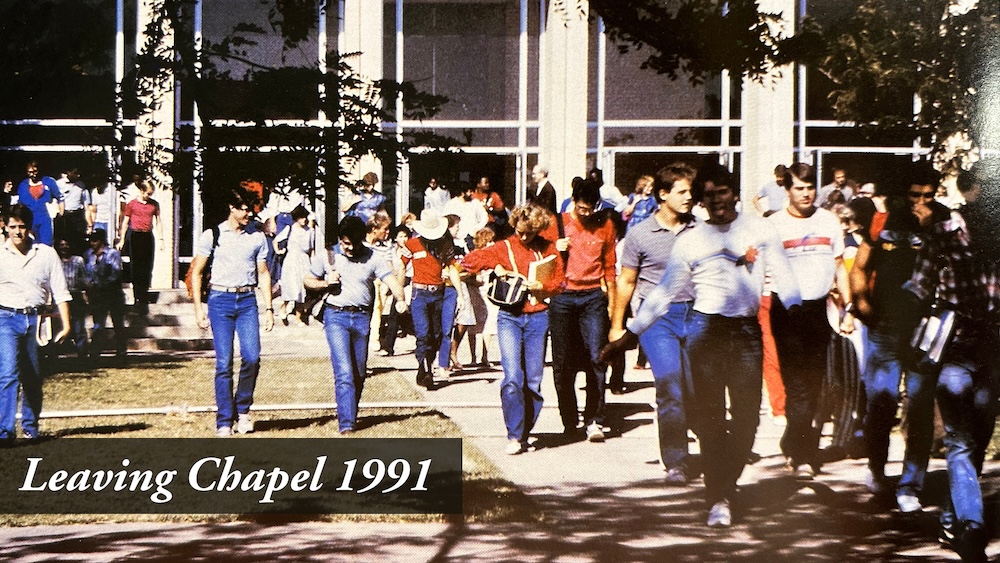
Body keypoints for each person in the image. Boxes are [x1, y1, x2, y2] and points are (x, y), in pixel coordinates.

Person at [602, 163, 801, 528]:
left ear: (734, 194)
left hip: (745, 332)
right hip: (705, 330)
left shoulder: (758, 229)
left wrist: (801, 316)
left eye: (721, 192)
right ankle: (719, 496)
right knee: (710, 420)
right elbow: (663, 294)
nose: (716, 201)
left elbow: (786, 281)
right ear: (702, 201)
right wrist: (628, 333)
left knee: (746, 419)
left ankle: (727, 480)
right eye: (708, 195)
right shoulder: (692, 240)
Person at [902, 168, 999, 561]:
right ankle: (972, 526)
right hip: (954, 347)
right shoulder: (944, 234)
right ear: (970, 193)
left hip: (991, 349)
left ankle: (950, 516)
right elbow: (918, 285)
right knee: (960, 438)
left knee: (977, 433)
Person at [849, 162, 952, 512]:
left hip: (926, 330)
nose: (920, 201)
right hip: (885, 327)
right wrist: (861, 304)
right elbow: (860, 266)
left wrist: (931, 229)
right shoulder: (882, 220)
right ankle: (876, 468)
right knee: (881, 401)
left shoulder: (945, 220)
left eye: (927, 194)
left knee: (920, 407)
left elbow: (956, 266)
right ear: (901, 193)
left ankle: (911, 483)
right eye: (913, 194)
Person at [610, 162, 698, 483]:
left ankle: (695, 432)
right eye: (682, 191)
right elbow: (626, 281)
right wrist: (617, 325)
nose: (689, 197)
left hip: (697, 315)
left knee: (695, 388)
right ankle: (677, 461)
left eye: (691, 191)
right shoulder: (640, 234)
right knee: (670, 386)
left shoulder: (700, 229)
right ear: (663, 194)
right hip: (657, 318)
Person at [767, 164, 854, 479]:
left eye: (809, 188)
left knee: (815, 384)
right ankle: (802, 453)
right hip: (786, 311)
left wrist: (849, 308)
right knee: (796, 384)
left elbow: (840, 268)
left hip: (820, 310)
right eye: (799, 188)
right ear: (787, 190)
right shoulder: (773, 224)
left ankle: (794, 441)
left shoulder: (828, 221)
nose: (805, 194)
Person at [462, 204, 565, 455]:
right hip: (510, 317)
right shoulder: (505, 246)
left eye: (528, 233)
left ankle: (525, 430)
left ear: (537, 230)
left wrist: (543, 285)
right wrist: (495, 268)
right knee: (511, 378)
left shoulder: (548, 249)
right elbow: (469, 261)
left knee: (533, 381)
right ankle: (514, 434)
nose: (522, 237)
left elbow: (559, 282)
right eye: (519, 231)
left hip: (538, 317)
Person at [304, 216, 407, 434]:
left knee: (359, 372)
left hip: (361, 318)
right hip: (336, 316)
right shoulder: (328, 255)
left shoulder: (373, 258)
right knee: (344, 371)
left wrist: (401, 299)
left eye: (352, 243)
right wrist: (326, 283)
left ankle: (350, 410)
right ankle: (347, 424)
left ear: (362, 239)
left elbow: (391, 281)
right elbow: (308, 280)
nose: (347, 248)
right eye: (344, 243)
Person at [189, 188, 274, 437]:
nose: (249, 213)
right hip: (220, 300)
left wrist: (269, 309)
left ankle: (244, 410)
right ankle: (224, 420)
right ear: (232, 208)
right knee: (224, 363)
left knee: (252, 356)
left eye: (251, 208)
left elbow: (264, 273)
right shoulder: (213, 235)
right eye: (244, 209)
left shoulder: (257, 237)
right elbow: (196, 272)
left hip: (247, 300)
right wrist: (198, 309)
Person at [550, 179, 617, 442]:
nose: (586, 214)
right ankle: (569, 420)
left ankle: (594, 419)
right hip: (563, 297)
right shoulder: (558, 224)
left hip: (592, 297)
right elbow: (539, 254)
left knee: (597, 358)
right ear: (573, 202)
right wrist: (555, 249)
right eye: (581, 208)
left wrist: (612, 303)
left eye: (590, 209)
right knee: (563, 362)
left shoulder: (606, 225)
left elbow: (610, 266)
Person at [0, 204, 71, 442]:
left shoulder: (46, 254)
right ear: (5, 227)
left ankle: (30, 428)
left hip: (37, 321)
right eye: (12, 227)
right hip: (5, 319)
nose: (17, 232)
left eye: (22, 227)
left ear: (29, 227)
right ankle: (5, 432)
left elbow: (60, 291)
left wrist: (67, 324)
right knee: (8, 373)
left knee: (33, 376)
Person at [401, 209, 463, 388]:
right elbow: (401, 267)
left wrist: (459, 294)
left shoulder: (445, 245)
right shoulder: (412, 244)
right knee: (423, 334)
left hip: (438, 293)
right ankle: (425, 369)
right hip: (419, 294)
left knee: (437, 334)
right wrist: (399, 295)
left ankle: (427, 364)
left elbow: (452, 268)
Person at [117, 180, 163, 314]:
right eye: (147, 193)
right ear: (142, 191)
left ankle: (144, 294)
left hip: (147, 236)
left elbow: (158, 222)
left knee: (147, 266)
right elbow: (125, 223)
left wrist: (161, 238)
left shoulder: (154, 205)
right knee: (136, 267)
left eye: (151, 194)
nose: (149, 196)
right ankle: (138, 297)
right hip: (135, 236)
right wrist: (122, 240)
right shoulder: (132, 204)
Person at [83, 228, 127, 361]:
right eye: (90, 240)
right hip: (97, 295)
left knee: (118, 323)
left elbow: (116, 273)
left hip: (113, 293)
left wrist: (101, 283)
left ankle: (121, 352)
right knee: (98, 325)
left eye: (95, 240)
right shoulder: (88, 255)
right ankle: (95, 352)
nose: (92, 243)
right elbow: (86, 272)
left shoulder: (112, 254)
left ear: (102, 240)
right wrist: (90, 285)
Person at [273, 205, 314, 324]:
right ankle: (284, 307)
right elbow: (276, 240)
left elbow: (311, 249)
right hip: (292, 259)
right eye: (301, 217)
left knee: (302, 289)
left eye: (305, 217)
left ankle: (299, 316)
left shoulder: (310, 231)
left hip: (304, 259)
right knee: (291, 286)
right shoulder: (290, 229)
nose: (304, 220)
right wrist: (278, 251)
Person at [378, 224, 414, 357]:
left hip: (408, 283)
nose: (403, 239)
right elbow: (389, 265)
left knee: (401, 315)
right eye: (400, 236)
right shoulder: (391, 251)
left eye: (405, 236)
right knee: (394, 315)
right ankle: (388, 346)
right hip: (394, 283)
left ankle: (388, 346)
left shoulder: (411, 251)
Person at [55, 238, 89, 359]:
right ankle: (56, 354)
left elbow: (84, 279)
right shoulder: (55, 261)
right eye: (61, 245)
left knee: (79, 326)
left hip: (75, 296)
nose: (64, 247)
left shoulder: (78, 260)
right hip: (59, 297)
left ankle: (82, 355)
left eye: (66, 244)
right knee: (58, 326)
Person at [15, 161, 63, 246]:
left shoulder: (49, 181)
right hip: (29, 220)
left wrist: (61, 212)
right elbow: (20, 204)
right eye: (30, 172)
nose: (33, 174)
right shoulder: (23, 185)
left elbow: (60, 198)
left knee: (46, 245)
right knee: (31, 244)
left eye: (35, 171)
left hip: (45, 219)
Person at [55, 167, 92, 254]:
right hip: (64, 216)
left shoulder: (81, 185)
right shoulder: (59, 184)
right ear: (68, 172)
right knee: (63, 242)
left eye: (79, 173)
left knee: (77, 242)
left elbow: (86, 206)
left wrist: (90, 225)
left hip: (77, 216)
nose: (78, 175)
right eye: (75, 173)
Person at [443, 182, 489, 252]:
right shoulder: (451, 204)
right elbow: (445, 221)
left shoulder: (475, 203)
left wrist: (476, 228)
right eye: (469, 191)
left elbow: (484, 217)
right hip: (456, 242)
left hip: (472, 240)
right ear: (462, 193)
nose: (471, 193)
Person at [88, 181, 118, 245]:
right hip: (98, 221)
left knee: (108, 242)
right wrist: (92, 224)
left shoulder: (111, 191)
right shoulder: (94, 192)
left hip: (109, 222)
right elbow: (94, 210)